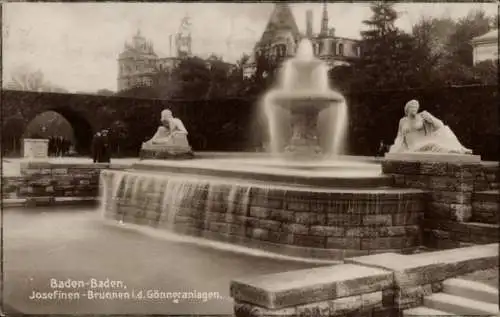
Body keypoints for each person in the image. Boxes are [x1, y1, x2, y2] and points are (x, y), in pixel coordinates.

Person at [388, 99, 472, 154]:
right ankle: (454, 151)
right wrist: (396, 148)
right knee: (432, 145)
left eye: (416, 107)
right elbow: (399, 136)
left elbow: (440, 125)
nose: (414, 109)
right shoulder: (403, 121)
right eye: (412, 107)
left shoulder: (421, 117)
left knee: (445, 130)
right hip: (413, 146)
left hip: (423, 141)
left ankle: (460, 148)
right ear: (407, 109)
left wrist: (431, 118)